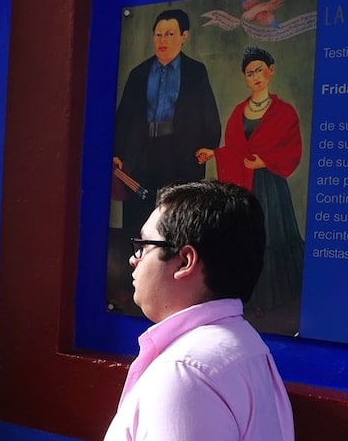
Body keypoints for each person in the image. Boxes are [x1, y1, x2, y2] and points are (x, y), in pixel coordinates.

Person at [103, 180, 294, 441]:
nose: (133, 259)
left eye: (145, 245)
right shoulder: (245, 346)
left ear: (185, 261)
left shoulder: (183, 373)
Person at [196, 47, 305, 316]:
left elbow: (292, 150)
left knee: (270, 237)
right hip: (244, 186)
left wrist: (265, 161)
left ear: (271, 70)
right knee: (247, 237)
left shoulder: (285, 112)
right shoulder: (238, 112)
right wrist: (215, 153)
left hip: (270, 187)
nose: (255, 76)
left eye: (259, 70)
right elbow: (234, 149)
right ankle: (249, 296)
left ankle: (272, 299)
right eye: (249, 73)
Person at [112, 8, 221, 230]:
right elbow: (123, 117)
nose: (163, 40)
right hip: (141, 153)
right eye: (158, 34)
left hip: (179, 154)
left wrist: (209, 146)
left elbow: (208, 113)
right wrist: (117, 153)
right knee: (138, 217)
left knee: (178, 217)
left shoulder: (195, 72)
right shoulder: (138, 74)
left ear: (184, 36)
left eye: (170, 34)